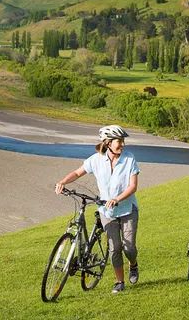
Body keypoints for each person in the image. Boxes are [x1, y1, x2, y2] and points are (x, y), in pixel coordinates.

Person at [55, 125, 140, 294]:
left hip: (127, 209)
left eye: (123, 141)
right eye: (118, 141)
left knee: (129, 248)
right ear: (108, 143)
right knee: (114, 248)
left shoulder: (129, 159)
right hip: (106, 212)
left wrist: (117, 199)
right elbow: (78, 172)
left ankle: (133, 264)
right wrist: (63, 182)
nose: (122, 144)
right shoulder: (96, 159)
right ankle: (119, 282)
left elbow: (133, 186)